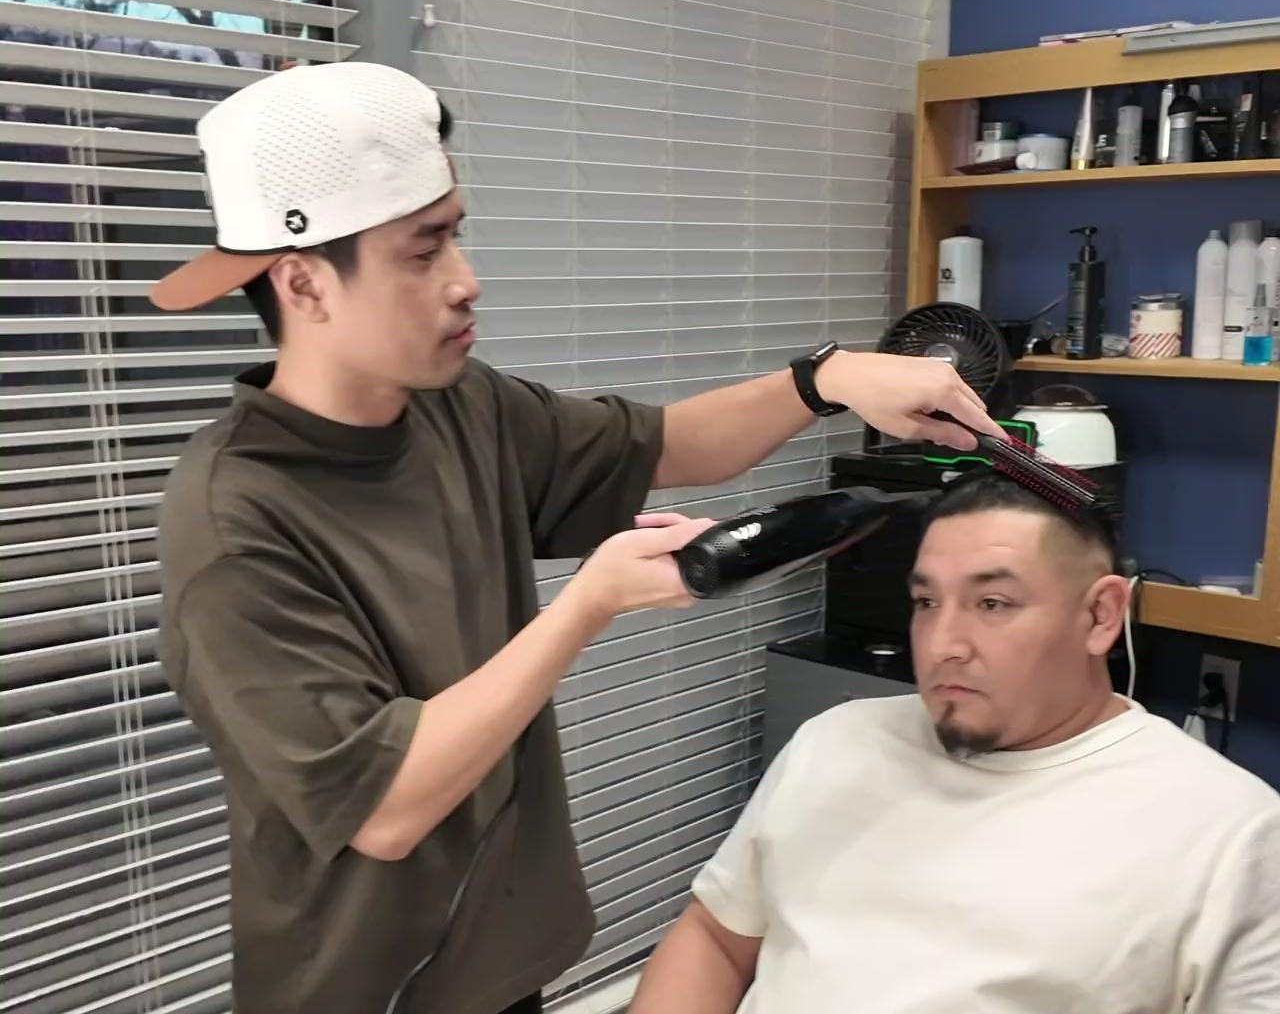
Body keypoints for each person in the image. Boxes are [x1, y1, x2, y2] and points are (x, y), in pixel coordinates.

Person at [151, 60, 1003, 1014]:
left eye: (456, 240)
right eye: (424, 252)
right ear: (305, 285)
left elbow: (672, 444)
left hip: (500, 961)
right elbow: (383, 808)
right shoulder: (236, 525)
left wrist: (828, 379)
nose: (465, 283)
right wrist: (586, 606)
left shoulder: (457, 409)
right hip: (366, 986)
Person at [631, 471, 1280, 1014]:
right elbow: (716, 937)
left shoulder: (1230, 837)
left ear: (1101, 615)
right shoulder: (835, 741)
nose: (943, 644)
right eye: (925, 603)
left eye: (992, 604)